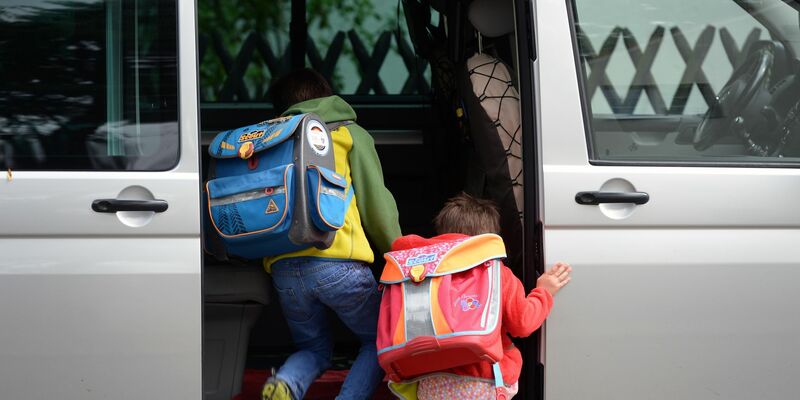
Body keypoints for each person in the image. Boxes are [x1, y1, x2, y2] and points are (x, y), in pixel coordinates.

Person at [261, 69, 402, 400]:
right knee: (381, 337)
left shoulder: (270, 138)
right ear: (327, 97)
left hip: (283, 269)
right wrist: (399, 253)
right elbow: (376, 206)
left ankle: (285, 383)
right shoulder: (348, 134)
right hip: (339, 265)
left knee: (313, 348)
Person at [388, 192, 571, 399]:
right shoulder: (495, 273)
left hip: (429, 382)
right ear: (488, 239)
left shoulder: (420, 274)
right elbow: (522, 322)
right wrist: (543, 292)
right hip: (482, 381)